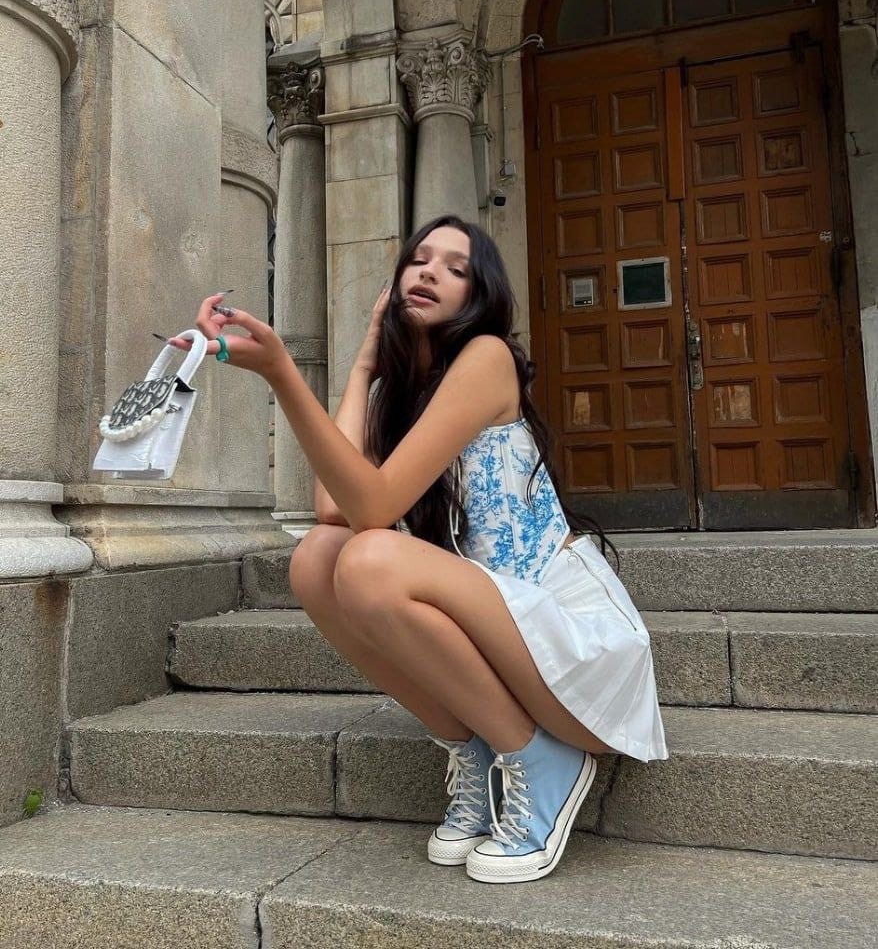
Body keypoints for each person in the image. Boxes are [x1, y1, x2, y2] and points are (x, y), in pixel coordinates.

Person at [172, 214, 668, 884]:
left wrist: (282, 373)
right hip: (507, 636)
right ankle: (476, 751)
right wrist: (362, 368)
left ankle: (540, 757)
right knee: (318, 558)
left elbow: (373, 512)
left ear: (479, 296)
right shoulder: (403, 395)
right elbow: (332, 509)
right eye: (419, 259)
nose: (430, 272)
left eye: (456, 268)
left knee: (370, 560)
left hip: (578, 651)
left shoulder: (486, 357)